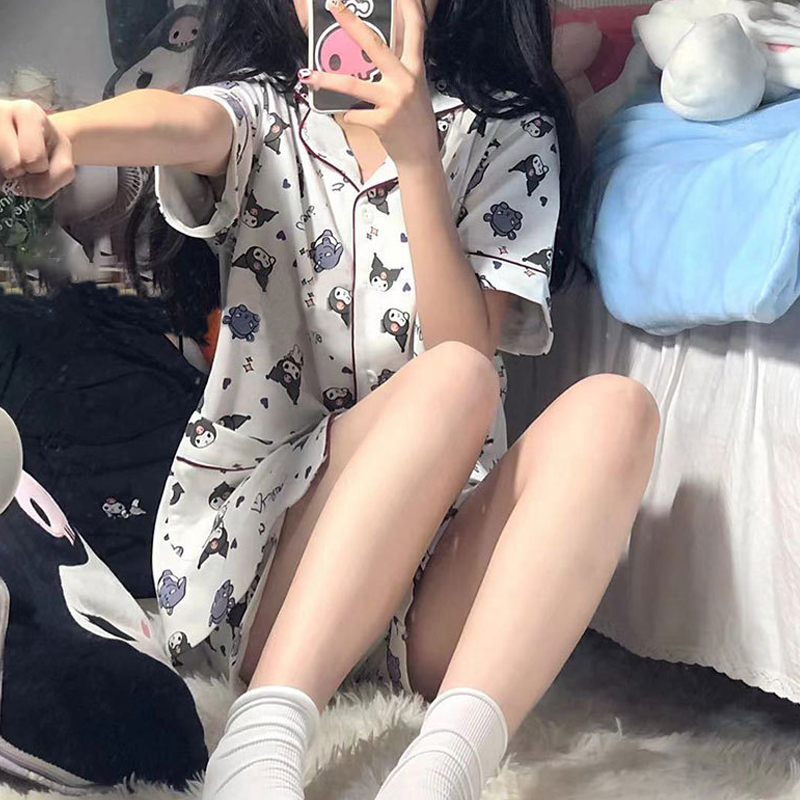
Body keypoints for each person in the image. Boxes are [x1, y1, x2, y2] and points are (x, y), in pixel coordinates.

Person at [0, 0, 660, 798]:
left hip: (422, 587)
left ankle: (443, 771)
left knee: (617, 411)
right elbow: (181, 122)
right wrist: (63, 132)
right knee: (454, 380)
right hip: (264, 564)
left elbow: (465, 343)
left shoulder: (510, 130)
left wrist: (419, 162)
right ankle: (261, 743)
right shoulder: (265, 110)